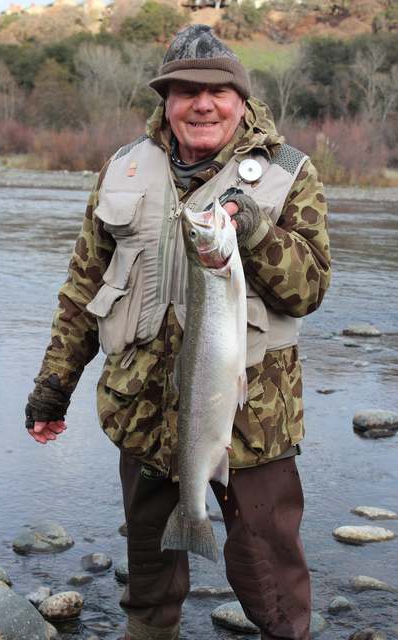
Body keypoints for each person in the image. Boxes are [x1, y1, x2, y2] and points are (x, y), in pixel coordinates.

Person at [25, 24, 331, 640]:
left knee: (273, 588)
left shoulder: (289, 173)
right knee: (149, 590)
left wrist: (255, 234)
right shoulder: (122, 169)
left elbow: (310, 287)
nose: (202, 103)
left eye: (217, 91)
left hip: (251, 424)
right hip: (143, 416)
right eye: (185, 89)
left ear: (241, 99)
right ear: (165, 99)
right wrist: (53, 387)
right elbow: (83, 290)